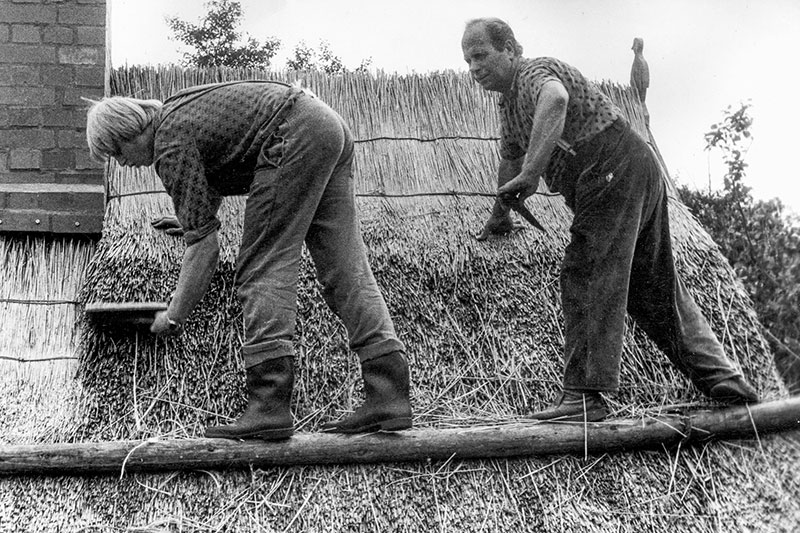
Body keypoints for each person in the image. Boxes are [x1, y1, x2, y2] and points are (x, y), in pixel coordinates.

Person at [462, 18, 758, 422]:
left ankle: (585, 395)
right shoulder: (509, 106)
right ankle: (724, 378)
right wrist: (500, 214)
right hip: (634, 167)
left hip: (611, 166)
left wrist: (533, 173)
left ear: (511, 49)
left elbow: (556, 100)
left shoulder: (533, 73)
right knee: (651, 285)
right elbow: (510, 159)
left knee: (585, 270)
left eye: (481, 55)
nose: (474, 67)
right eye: (468, 61)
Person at [85, 81, 412, 439]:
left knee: (262, 266)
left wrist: (173, 315)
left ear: (129, 129)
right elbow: (214, 171)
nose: (124, 163)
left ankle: (268, 405)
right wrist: (192, 218)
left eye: (117, 151)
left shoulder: (168, 142)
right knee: (346, 269)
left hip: (291, 132)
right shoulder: (178, 111)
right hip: (326, 125)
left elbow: (205, 248)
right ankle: (388, 395)